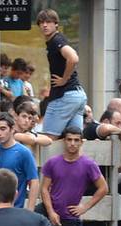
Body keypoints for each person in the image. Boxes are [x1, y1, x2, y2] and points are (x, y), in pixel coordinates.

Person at [37, 9, 86, 140]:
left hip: (65, 95)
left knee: (47, 139)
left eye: (48, 22)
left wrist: (65, 79)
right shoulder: (57, 40)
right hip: (77, 95)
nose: (44, 25)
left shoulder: (56, 40)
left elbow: (73, 58)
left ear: (56, 24)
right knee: (74, 139)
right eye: (41, 23)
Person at [0, 112, 38, 210]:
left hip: (15, 209)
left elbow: (33, 181)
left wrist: (30, 210)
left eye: (3, 129)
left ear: (12, 129)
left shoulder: (24, 152)